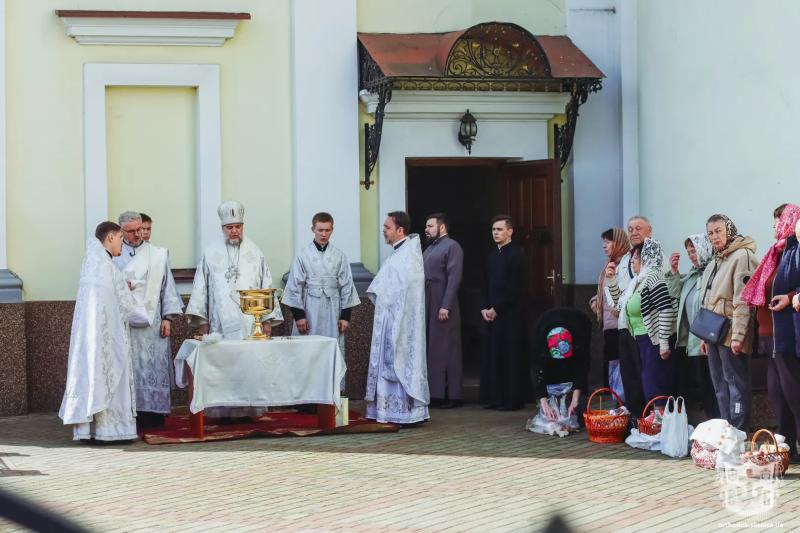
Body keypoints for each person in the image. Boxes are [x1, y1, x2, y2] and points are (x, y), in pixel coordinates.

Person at [59, 222, 148, 442]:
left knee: (94, 377)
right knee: (109, 378)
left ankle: (90, 430)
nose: (122, 243)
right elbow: (124, 306)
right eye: (120, 238)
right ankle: (111, 430)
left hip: (92, 339)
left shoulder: (94, 265)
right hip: (108, 338)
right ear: (110, 238)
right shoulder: (107, 268)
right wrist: (143, 308)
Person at [112, 212, 183, 430]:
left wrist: (167, 318)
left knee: (152, 367)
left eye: (140, 229)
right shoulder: (113, 254)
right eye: (131, 231)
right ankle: (128, 415)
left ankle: (154, 415)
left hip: (152, 325)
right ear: (120, 231)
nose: (138, 234)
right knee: (128, 368)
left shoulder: (158, 254)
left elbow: (167, 287)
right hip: (123, 324)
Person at [742, 204, 800, 458]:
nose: (776, 226)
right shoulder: (776, 252)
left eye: (779, 221)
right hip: (769, 336)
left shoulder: (795, 252)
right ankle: (787, 448)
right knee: (777, 394)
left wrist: (789, 297)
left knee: (794, 393)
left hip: (788, 334)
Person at [365, 211, 429, 425]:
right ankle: (388, 410)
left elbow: (404, 291)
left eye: (387, 227)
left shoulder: (408, 257)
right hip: (389, 320)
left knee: (400, 363)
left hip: (399, 323)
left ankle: (404, 412)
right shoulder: (398, 255)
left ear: (400, 230)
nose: (384, 230)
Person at [186, 201, 283, 340]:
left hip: (250, 321)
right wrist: (203, 322)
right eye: (229, 227)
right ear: (222, 228)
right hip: (219, 320)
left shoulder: (255, 252)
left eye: (238, 226)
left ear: (243, 227)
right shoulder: (210, 252)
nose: (234, 231)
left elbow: (265, 284)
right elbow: (200, 288)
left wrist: (266, 320)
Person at [700, 214, 759, 431]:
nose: (714, 237)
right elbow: (707, 300)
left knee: (735, 384)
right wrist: (704, 337)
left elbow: (743, 300)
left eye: (718, 231)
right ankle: (727, 430)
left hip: (731, 332)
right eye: (710, 233)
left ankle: (739, 431)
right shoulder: (717, 259)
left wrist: (738, 336)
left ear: (730, 230)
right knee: (720, 386)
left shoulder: (741, 255)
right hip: (714, 332)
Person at [608, 238, 677, 405]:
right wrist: (611, 280)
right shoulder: (637, 281)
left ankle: (659, 425)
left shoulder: (653, 278)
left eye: (636, 258)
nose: (632, 262)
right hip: (639, 338)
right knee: (647, 383)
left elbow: (665, 309)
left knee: (654, 383)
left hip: (652, 340)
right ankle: (651, 424)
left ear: (646, 258)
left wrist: (664, 343)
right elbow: (620, 304)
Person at [282, 212, 360, 352]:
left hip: (333, 310)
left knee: (332, 348)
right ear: (313, 229)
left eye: (327, 230)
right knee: (307, 349)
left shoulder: (339, 256)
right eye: (320, 230)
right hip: (309, 308)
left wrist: (345, 317)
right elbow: (294, 286)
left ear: (332, 230)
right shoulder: (303, 255)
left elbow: (347, 286)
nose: (323, 234)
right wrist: (299, 316)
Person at [666, 233, 719, 419]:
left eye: (694, 250)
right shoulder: (691, 275)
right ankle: (704, 422)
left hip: (708, 337)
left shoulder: (713, 272)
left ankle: (715, 420)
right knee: (699, 383)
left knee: (711, 383)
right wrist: (673, 271)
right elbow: (674, 293)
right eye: (688, 252)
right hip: (691, 340)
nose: (691, 255)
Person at [480, 214, 528, 411]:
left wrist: (497, 308)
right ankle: (495, 398)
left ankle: (511, 399)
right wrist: (484, 307)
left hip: (509, 315)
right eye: (493, 230)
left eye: (499, 229)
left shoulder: (517, 255)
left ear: (510, 231)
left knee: (509, 355)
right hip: (491, 315)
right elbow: (485, 284)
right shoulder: (491, 256)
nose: (496, 233)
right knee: (494, 355)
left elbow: (515, 287)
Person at [611, 216, 654, 420]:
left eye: (638, 228)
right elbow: (619, 294)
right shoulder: (626, 259)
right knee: (629, 375)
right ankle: (636, 417)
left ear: (649, 230)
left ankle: (647, 419)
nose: (634, 232)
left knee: (644, 375)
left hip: (644, 327)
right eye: (630, 229)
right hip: (624, 324)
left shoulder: (654, 254)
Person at [527, 308, 592, 436]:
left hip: (579, 323)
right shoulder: (539, 339)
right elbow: (537, 369)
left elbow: (582, 366)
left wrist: (575, 398)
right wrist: (543, 401)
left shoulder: (579, 335)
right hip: (546, 329)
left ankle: (574, 401)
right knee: (547, 406)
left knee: (578, 410)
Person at [423, 213, 464, 409]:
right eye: (426, 226)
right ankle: (435, 393)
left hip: (443, 301)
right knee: (433, 348)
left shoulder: (452, 246)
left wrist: (446, 305)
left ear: (441, 227)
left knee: (447, 349)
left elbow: (454, 277)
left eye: (430, 226)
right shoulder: (430, 248)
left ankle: (452, 394)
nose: (426, 229)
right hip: (429, 300)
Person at [589, 228, 630, 399]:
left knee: (619, 364)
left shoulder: (625, 265)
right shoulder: (611, 263)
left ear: (619, 243)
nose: (604, 246)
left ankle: (621, 402)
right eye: (604, 242)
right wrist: (594, 301)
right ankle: (617, 400)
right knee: (613, 362)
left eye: (608, 242)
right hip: (609, 324)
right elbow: (604, 291)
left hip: (618, 323)